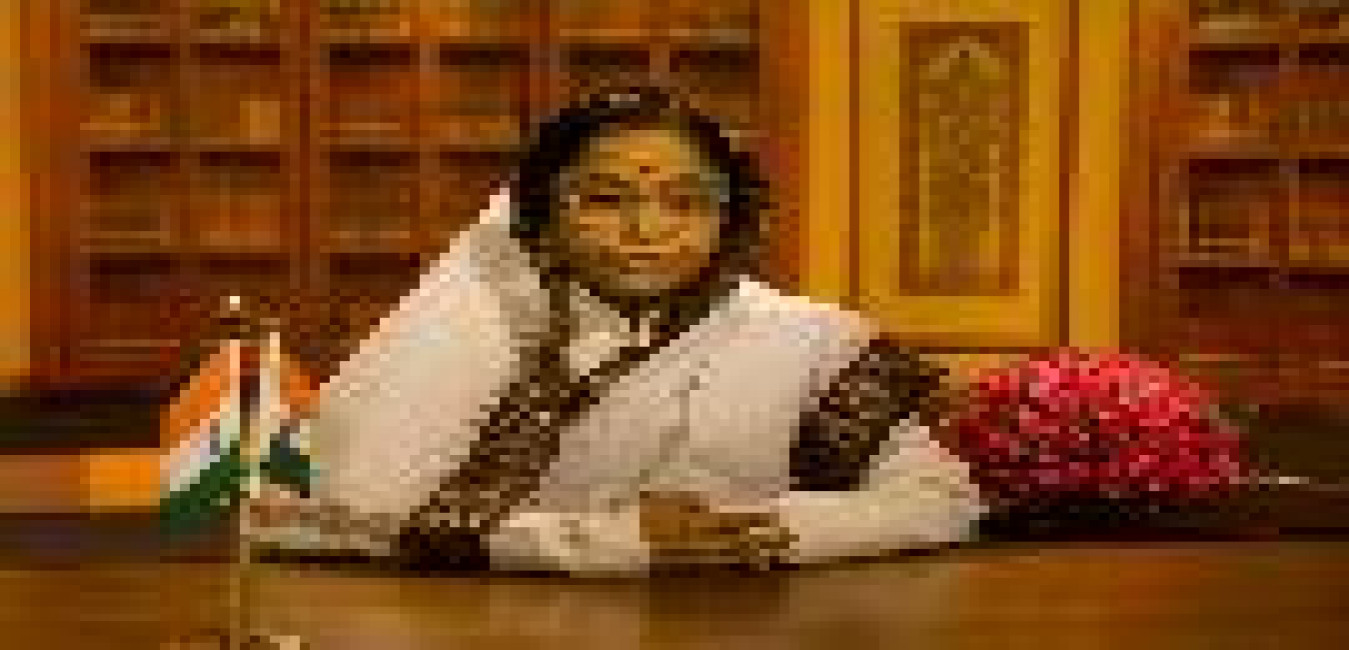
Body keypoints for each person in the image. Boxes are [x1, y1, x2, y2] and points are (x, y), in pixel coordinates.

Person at [249, 87, 985, 575]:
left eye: (685, 203)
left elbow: (939, 498)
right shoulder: (484, 338)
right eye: (605, 200)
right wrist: (603, 544)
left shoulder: (813, 340)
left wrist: (760, 531)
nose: (646, 231)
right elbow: (326, 523)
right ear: (540, 220)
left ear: (731, 221)